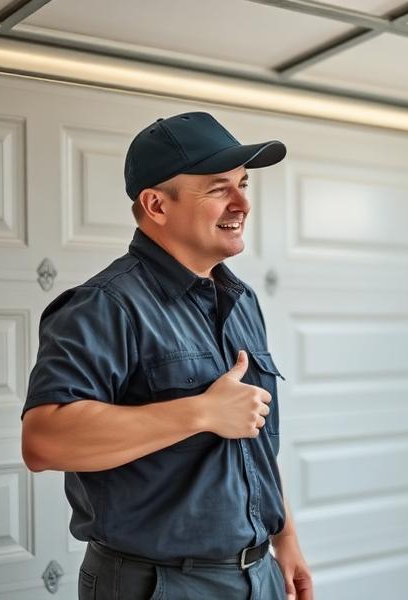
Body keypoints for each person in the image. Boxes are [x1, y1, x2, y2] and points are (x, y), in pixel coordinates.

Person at [21, 111, 313, 600]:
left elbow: (253, 443)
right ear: (156, 204)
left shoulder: (241, 302)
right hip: (157, 584)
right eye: (219, 189)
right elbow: (44, 440)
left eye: (244, 185)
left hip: (257, 573)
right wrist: (200, 412)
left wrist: (286, 540)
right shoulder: (105, 306)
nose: (242, 202)